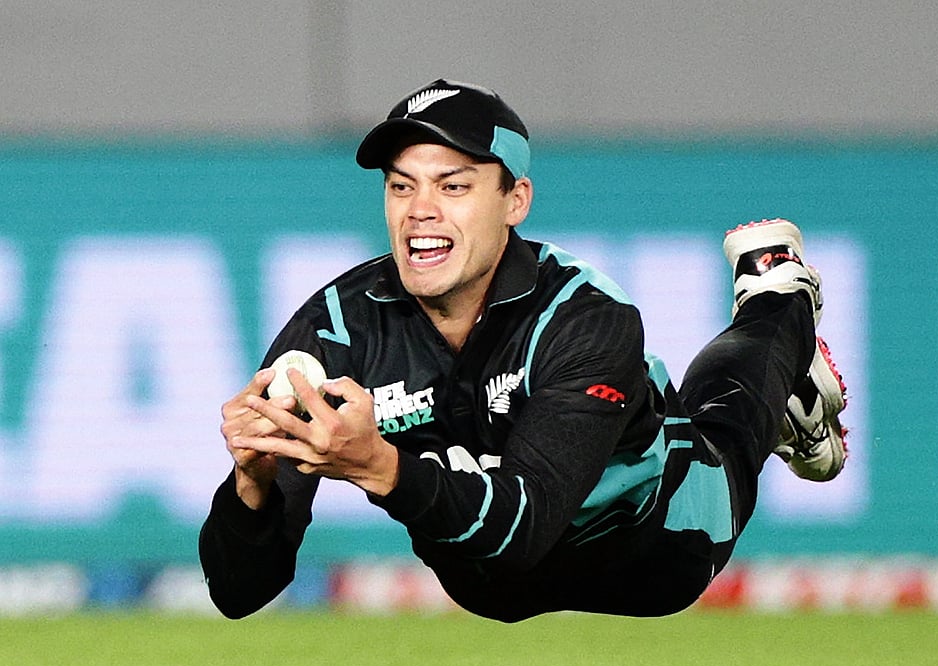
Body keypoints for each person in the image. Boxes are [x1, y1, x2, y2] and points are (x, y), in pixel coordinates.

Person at [198, 78, 848, 623]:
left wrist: (378, 465)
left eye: (452, 186)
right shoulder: (337, 328)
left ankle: (777, 293)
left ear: (515, 201)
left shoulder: (585, 318)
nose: (420, 210)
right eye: (401, 186)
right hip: (485, 586)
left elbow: (523, 533)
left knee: (729, 423)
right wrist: (252, 484)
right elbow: (239, 592)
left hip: (654, 549)